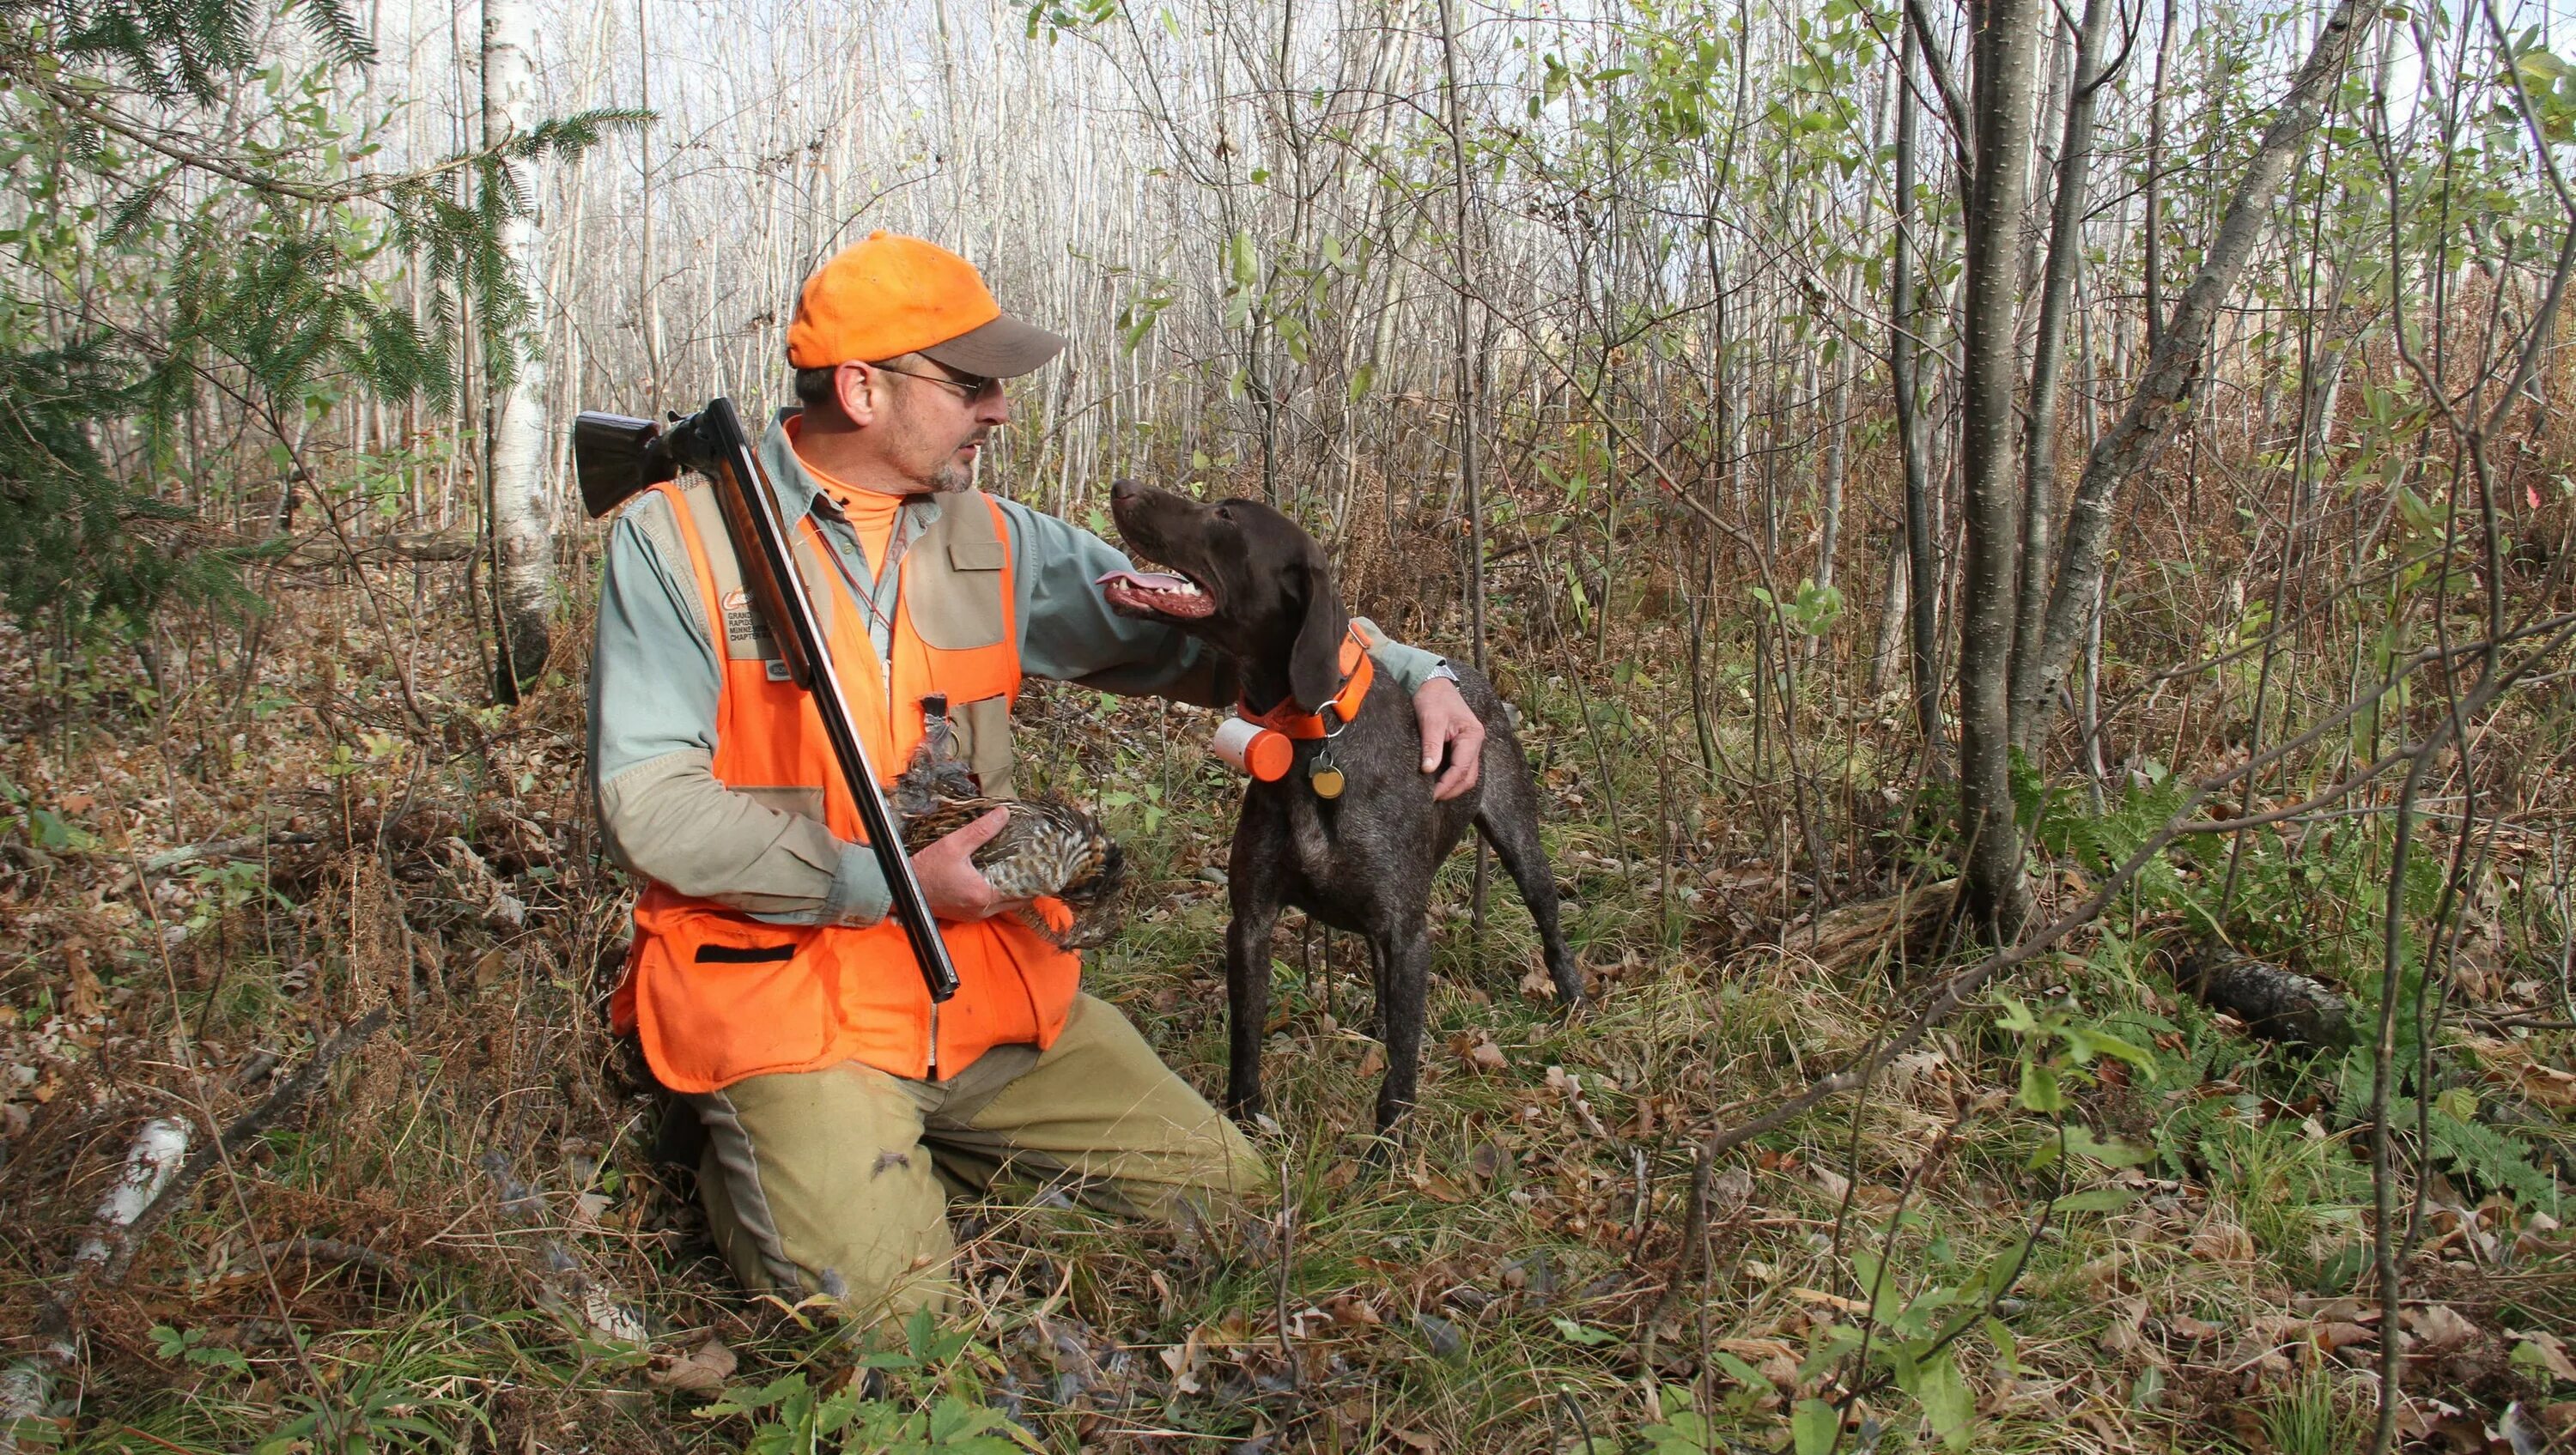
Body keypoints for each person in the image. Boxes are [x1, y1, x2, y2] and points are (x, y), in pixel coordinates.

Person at [587, 231, 1486, 1318]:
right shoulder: (678, 540)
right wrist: (891, 884)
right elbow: (652, 804)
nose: (1000, 410)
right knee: (891, 1320)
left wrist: (1411, 672)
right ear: (863, 387)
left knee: (1233, 1197)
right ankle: (755, 1155)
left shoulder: (994, 542)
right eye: (972, 384)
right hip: (782, 1004)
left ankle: (883, 1165)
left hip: (976, 991)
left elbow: (1235, 626)